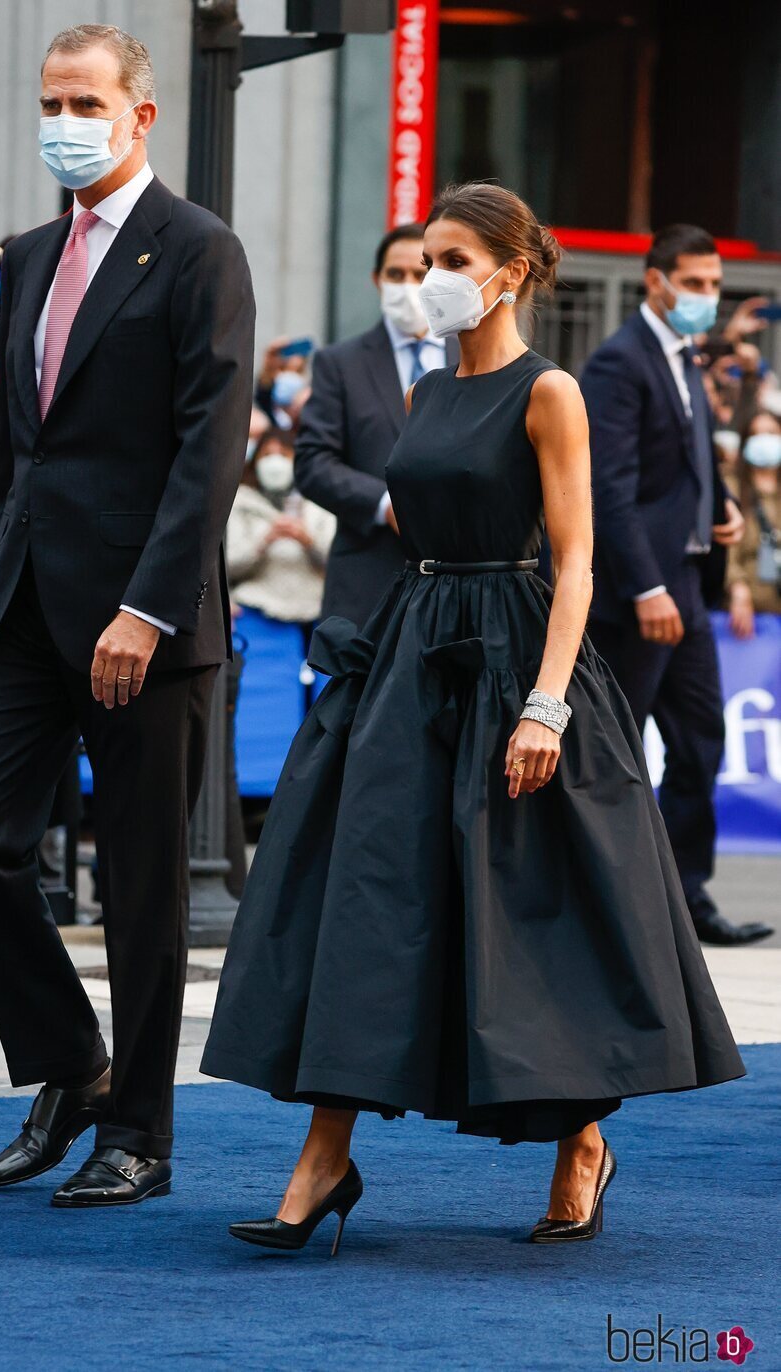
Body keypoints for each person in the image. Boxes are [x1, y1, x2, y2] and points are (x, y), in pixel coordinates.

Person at [199, 182, 745, 1252]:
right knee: (367, 897)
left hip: (517, 652)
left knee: (538, 908)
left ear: (509, 268)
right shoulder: (428, 392)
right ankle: (323, 1155)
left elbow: (576, 562)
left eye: (449, 259)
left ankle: (579, 1141)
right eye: (419, 262)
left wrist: (543, 706)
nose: (427, 281)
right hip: (413, 650)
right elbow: (406, 519)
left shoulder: (550, 393)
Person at [0, 24, 255, 1207]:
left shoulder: (197, 250)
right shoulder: (22, 253)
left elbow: (207, 452)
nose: (61, 119)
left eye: (84, 100)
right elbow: (17, 450)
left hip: (141, 623)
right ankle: (73, 1064)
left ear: (140, 117)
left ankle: (143, 1135)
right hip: (19, 610)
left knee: (144, 884)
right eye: (49, 98)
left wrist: (149, 608)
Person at [581, 225, 773, 947]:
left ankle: (688, 901)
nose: (706, 297)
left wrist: (719, 508)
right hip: (639, 600)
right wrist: (644, 588)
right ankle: (610, 906)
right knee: (616, 751)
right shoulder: (617, 363)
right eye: (694, 283)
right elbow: (610, 487)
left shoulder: (685, 358)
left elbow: (690, 462)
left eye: (713, 284)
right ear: (655, 280)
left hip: (690, 587)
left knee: (700, 744)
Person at [294, 223, 459, 628]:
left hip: (458, 585)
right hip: (367, 586)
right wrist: (386, 505)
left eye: (420, 274)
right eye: (395, 275)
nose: (408, 286)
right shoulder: (341, 364)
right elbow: (313, 463)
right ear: (376, 279)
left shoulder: (473, 358)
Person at [227, 429, 336, 794]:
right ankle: (256, 794)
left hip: (312, 622)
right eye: (268, 454)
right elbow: (225, 562)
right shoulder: (239, 500)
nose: (276, 462)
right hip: (260, 624)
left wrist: (307, 539)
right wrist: (264, 540)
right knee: (259, 721)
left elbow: (337, 559)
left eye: (283, 453)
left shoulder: (317, 503)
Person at [724, 410, 781, 636]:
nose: (764, 440)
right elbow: (727, 548)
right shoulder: (730, 488)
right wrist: (737, 588)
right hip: (746, 616)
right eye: (755, 434)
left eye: (771, 433)